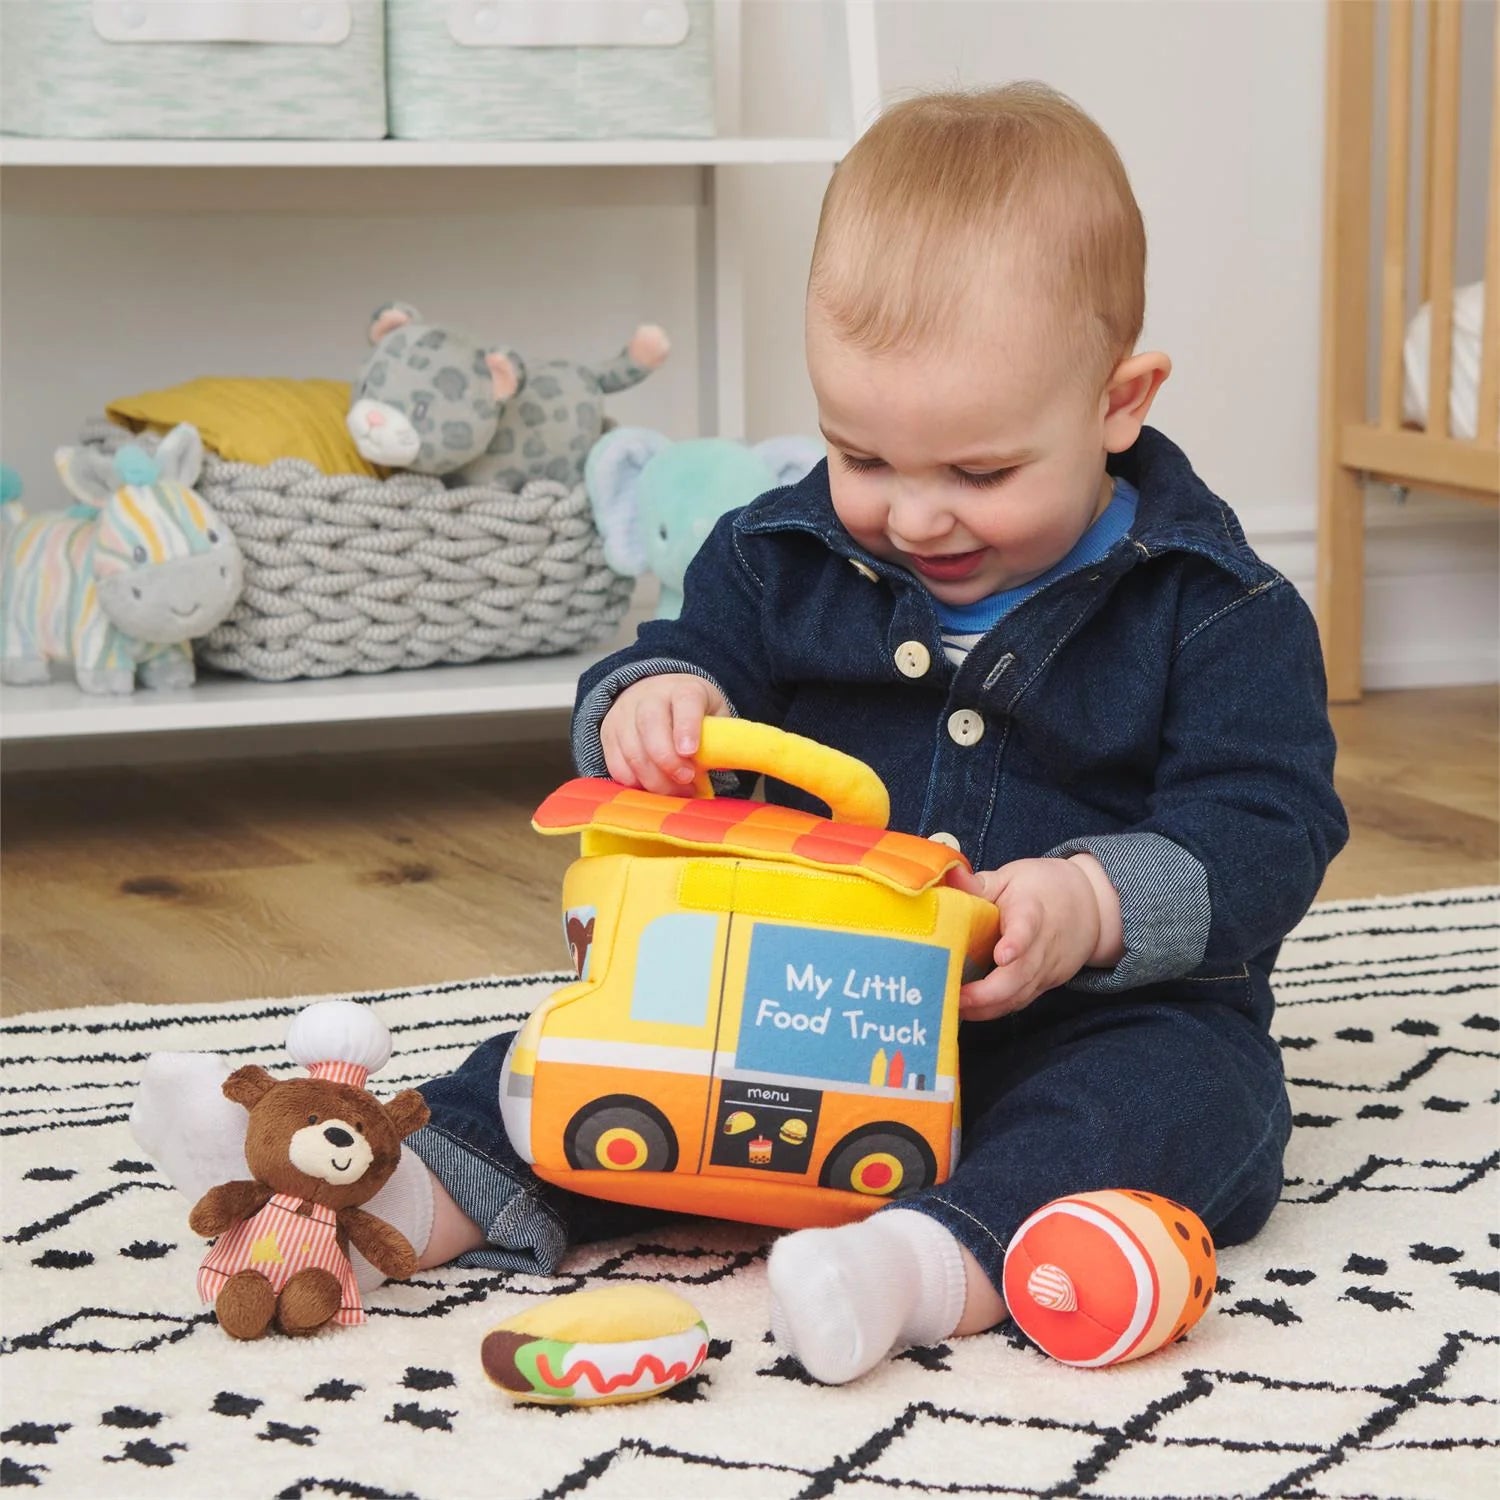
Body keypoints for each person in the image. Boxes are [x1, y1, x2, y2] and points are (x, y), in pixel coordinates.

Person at [132, 84, 1346, 1384]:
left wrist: (1097, 905)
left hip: (1078, 1024)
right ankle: (365, 1195)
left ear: (1119, 401)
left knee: (1194, 1107)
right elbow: (683, 655)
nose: (916, 517)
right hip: (779, 1009)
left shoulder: (1222, 611)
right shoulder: (775, 556)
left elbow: (1269, 826)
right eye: (860, 456)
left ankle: (924, 1264)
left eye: (979, 475)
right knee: (561, 1067)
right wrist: (654, 699)